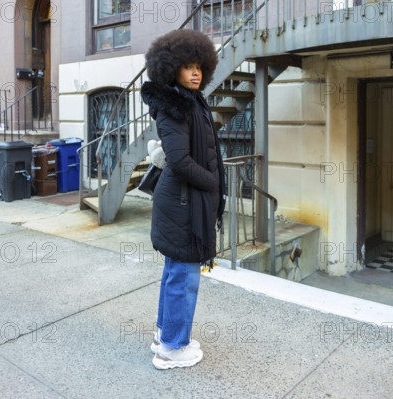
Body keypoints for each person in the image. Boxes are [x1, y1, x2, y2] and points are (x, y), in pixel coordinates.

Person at [141, 29, 226, 370]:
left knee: (175, 273)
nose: (196, 73)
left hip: (182, 203)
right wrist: (213, 183)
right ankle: (173, 349)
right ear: (170, 68)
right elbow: (181, 161)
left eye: (199, 67)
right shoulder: (175, 108)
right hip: (182, 206)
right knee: (183, 278)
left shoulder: (191, 102)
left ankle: (165, 334)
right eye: (188, 66)